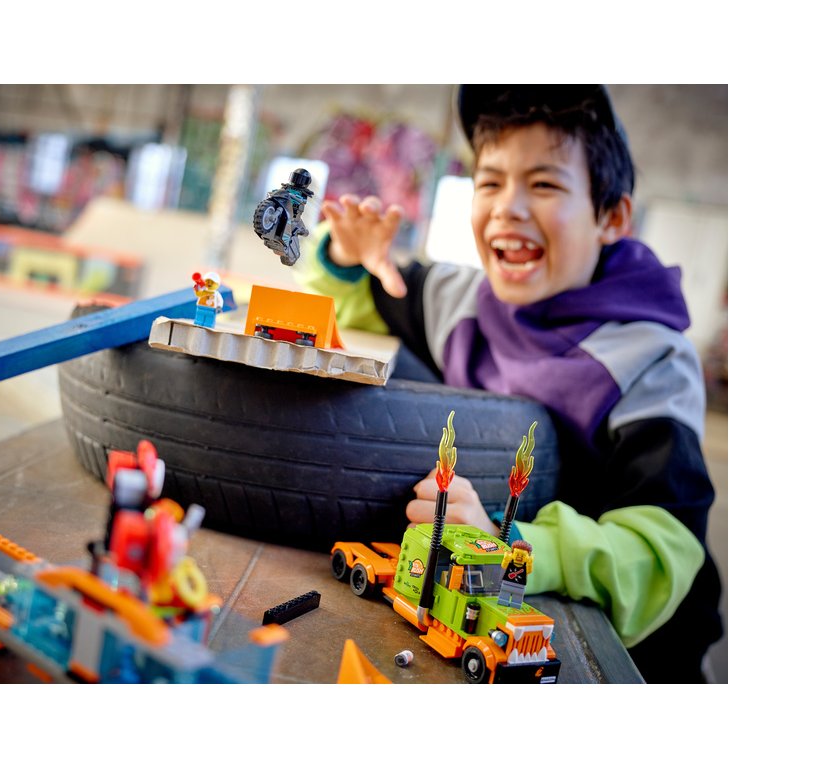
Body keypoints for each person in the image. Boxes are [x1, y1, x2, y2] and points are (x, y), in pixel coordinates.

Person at [297, 85, 723, 683]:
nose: (508, 208)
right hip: (477, 601)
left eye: (543, 184)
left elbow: (659, 551)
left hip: (631, 651)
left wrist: (509, 543)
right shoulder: (459, 301)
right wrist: (346, 255)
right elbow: (356, 303)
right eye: (490, 182)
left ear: (611, 217)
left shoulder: (650, 358)